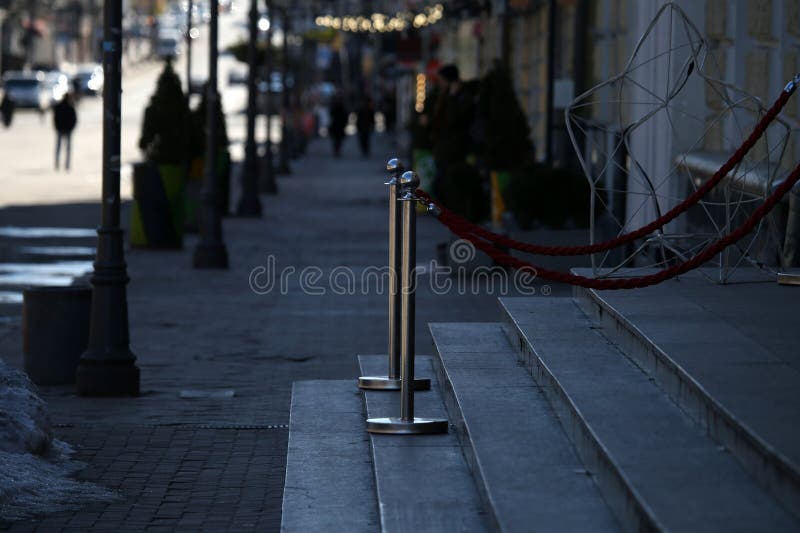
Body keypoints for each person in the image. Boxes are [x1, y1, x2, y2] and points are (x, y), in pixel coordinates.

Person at [53, 93, 77, 170]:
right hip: (66, 129)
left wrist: (57, 127)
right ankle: (66, 165)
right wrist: (71, 128)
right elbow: (74, 119)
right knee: (67, 148)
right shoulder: (70, 107)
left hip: (61, 129)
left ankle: (58, 164)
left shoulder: (59, 106)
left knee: (59, 148)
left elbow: (55, 118)